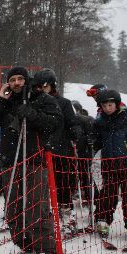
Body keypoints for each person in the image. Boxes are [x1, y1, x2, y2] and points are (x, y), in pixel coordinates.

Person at [0, 66, 64, 254]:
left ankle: (47, 250)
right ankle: (26, 246)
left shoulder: (41, 98)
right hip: (11, 162)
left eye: (20, 79)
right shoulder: (7, 101)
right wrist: (0, 99)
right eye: (13, 80)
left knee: (35, 207)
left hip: (33, 159)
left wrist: (32, 114)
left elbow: (55, 123)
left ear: (27, 80)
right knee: (13, 208)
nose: (17, 83)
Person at [89, 89, 127, 240]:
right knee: (107, 194)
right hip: (109, 164)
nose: (108, 108)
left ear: (116, 104)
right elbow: (97, 140)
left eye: (110, 105)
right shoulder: (99, 122)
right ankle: (103, 220)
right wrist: (93, 142)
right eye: (104, 105)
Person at [34, 69, 84, 229]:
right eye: (39, 87)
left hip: (60, 149)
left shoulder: (63, 103)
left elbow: (72, 121)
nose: (42, 91)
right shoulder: (35, 103)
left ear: (52, 86)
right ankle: (42, 213)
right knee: (40, 183)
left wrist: (75, 130)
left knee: (63, 182)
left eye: (45, 87)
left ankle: (65, 211)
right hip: (40, 149)